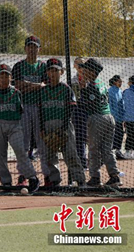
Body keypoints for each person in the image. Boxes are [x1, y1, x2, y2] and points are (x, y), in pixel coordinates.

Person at [0, 64, 40, 193]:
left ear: (11, 77)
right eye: (1, 76)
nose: (4, 79)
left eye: (6, 76)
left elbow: (20, 110)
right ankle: (6, 182)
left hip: (14, 125)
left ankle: (32, 177)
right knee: (1, 155)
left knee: (20, 151)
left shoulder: (16, 93)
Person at [12, 35, 52, 187]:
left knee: (42, 144)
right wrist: (36, 85)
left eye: (35, 46)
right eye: (29, 46)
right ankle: (24, 175)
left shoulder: (43, 66)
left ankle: (47, 175)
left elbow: (46, 86)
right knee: (23, 144)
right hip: (23, 108)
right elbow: (18, 86)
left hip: (40, 109)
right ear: (25, 48)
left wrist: (26, 85)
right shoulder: (18, 66)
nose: (32, 49)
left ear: (39, 49)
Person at [39, 58, 86, 187]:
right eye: (50, 70)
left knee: (70, 153)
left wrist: (64, 127)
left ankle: (80, 179)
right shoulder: (42, 91)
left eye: (56, 70)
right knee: (50, 156)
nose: (53, 73)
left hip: (64, 124)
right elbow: (40, 111)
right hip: (48, 124)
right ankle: (55, 180)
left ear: (61, 72)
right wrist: (42, 128)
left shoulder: (66, 88)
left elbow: (71, 108)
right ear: (47, 73)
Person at [80, 58, 122, 187]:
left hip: (97, 118)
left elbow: (88, 106)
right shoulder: (102, 83)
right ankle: (114, 176)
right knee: (107, 150)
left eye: (85, 69)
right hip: (109, 117)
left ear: (92, 72)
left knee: (93, 150)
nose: (83, 71)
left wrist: (83, 90)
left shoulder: (91, 86)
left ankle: (95, 177)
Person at [71, 57, 89, 169]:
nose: (80, 67)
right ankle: (82, 161)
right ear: (75, 66)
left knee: (91, 137)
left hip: (90, 110)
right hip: (78, 111)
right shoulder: (73, 79)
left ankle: (94, 162)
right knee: (80, 137)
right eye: (78, 64)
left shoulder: (90, 78)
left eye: (82, 64)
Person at [108, 75, 125, 160]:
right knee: (113, 134)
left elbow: (122, 105)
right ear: (115, 82)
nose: (121, 83)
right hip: (113, 116)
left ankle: (117, 150)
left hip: (119, 117)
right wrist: (112, 115)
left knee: (120, 134)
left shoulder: (120, 91)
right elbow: (110, 104)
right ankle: (111, 151)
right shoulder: (110, 91)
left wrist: (123, 116)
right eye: (119, 81)